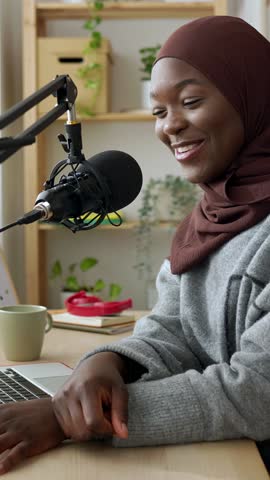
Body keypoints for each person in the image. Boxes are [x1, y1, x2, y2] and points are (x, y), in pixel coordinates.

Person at [1, 14, 270, 474]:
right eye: (160, 112)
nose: (171, 127)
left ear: (253, 96)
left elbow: (258, 392)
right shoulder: (211, 216)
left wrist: (72, 420)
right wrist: (109, 362)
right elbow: (174, 327)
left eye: (190, 101)